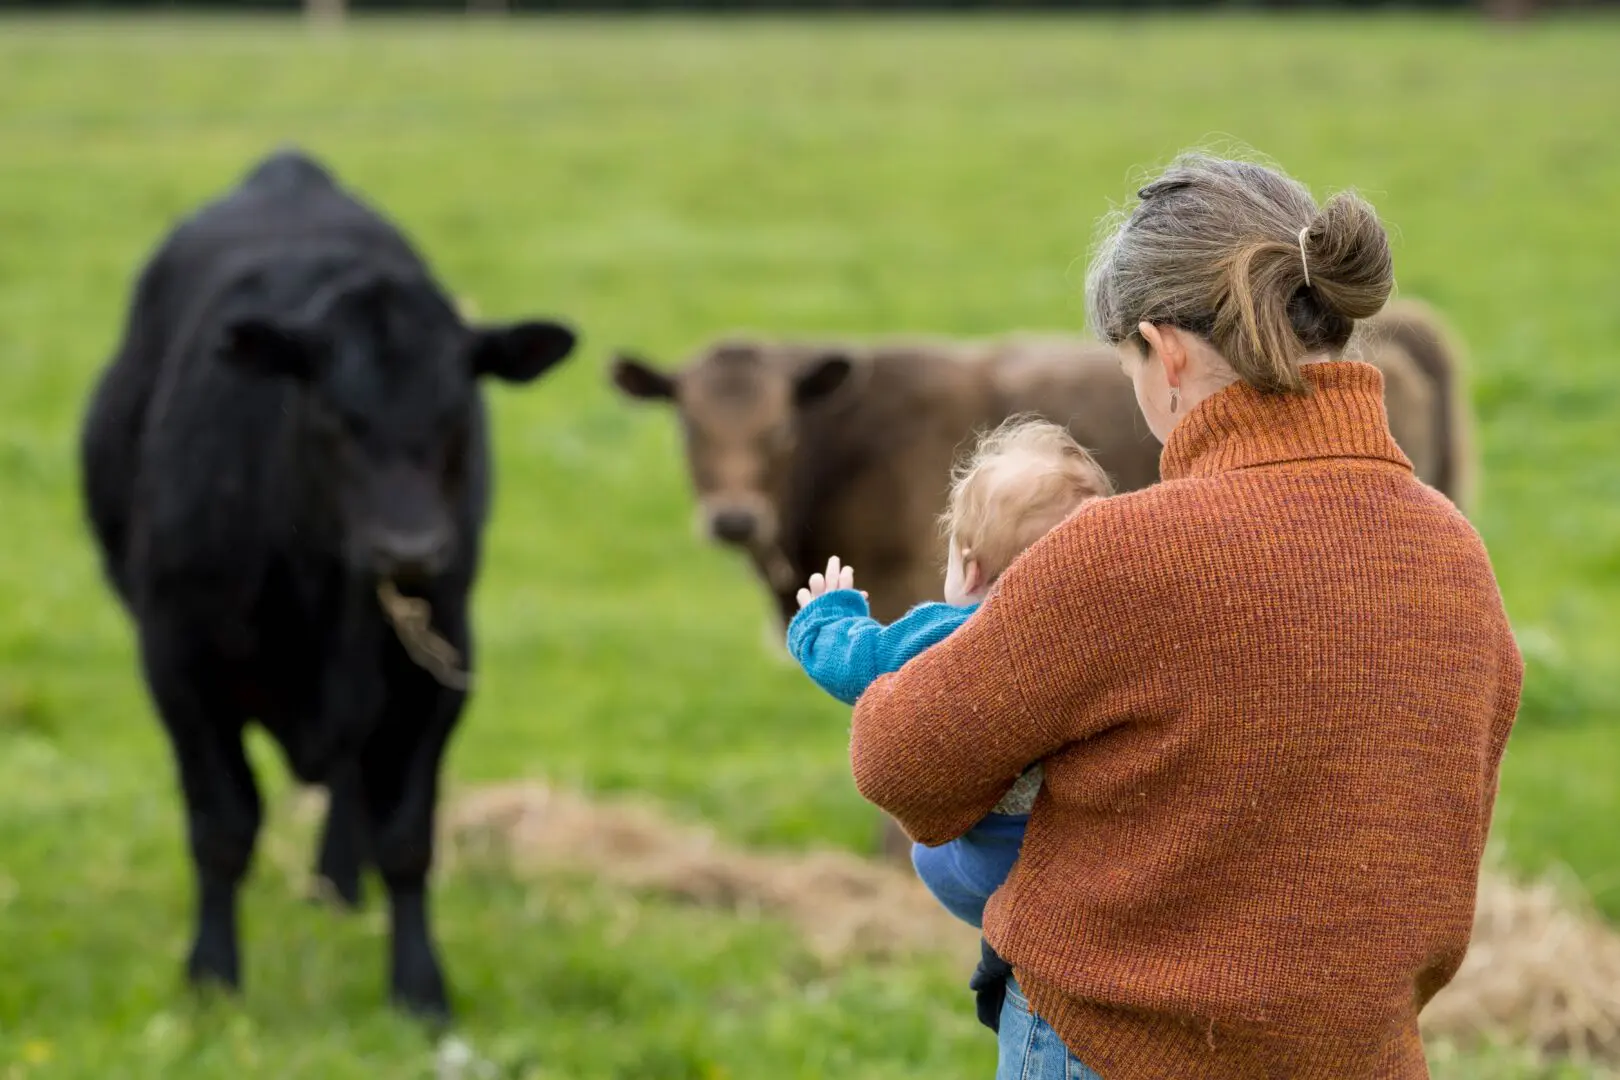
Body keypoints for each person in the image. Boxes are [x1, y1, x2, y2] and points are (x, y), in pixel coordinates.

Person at [846, 151, 1524, 1080]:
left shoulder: (1127, 550)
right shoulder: (1453, 551)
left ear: (1164, 350)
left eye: (1125, 360)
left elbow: (901, 761)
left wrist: (959, 630)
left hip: (1115, 1048)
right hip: (1360, 1054)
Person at [786, 418, 1114, 1031]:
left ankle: (1005, 931)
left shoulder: (954, 631)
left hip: (997, 852)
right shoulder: (1112, 631)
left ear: (967, 569)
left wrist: (822, 622)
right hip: (1091, 841)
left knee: (930, 857)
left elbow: (864, 662)